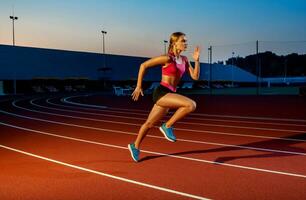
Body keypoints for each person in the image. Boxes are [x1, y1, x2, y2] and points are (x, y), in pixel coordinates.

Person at [128, 32, 200, 162]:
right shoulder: (167, 58)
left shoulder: (184, 59)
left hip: (169, 93)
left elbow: (195, 76)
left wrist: (197, 60)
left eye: (186, 41)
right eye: (183, 41)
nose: (186, 43)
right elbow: (143, 65)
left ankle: (135, 146)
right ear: (174, 43)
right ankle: (167, 126)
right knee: (191, 105)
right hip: (161, 92)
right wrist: (139, 86)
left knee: (149, 123)